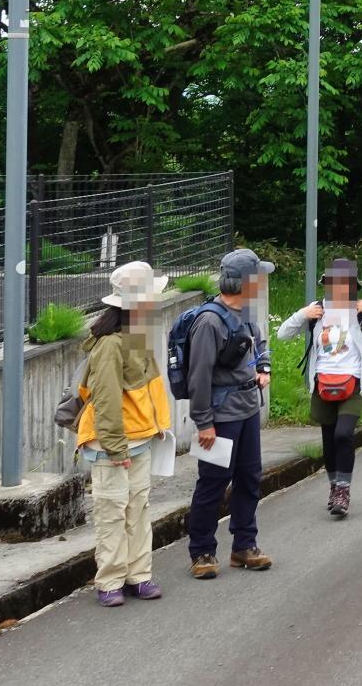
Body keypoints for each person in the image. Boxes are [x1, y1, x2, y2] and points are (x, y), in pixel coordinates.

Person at [74, 260, 172, 606]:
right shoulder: (110, 344)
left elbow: (149, 389)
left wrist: (158, 428)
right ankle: (111, 581)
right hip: (111, 446)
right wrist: (116, 448)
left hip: (140, 440)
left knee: (138, 510)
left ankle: (138, 576)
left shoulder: (136, 336)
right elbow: (106, 400)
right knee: (112, 512)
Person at [280, 259, 362, 517]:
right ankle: (335, 486)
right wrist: (303, 314)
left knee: (343, 435)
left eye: (346, 284)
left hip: (353, 382)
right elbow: (282, 334)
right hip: (323, 383)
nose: (340, 289)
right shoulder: (318, 310)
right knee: (328, 440)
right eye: (335, 283)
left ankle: (343, 491)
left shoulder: (360, 311)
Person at [186, 247, 274, 580]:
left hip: (248, 409)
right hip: (221, 416)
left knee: (250, 478)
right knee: (213, 483)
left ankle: (244, 546)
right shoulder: (209, 321)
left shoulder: (246, 314)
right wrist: (204, 422)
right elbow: (198, 376)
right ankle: (201, 551)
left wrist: (263, 366)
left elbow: (259, 344)